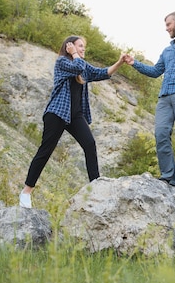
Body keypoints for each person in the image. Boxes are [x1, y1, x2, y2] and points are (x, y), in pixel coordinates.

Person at [19, 35, 125, 208]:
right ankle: (26, 192)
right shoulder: (63, 62)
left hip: (75, 115)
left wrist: (120, 62)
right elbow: (77, 67)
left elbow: (101, 73)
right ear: (69, 47)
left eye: (83, 47)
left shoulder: (81, 64)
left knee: (90, 144)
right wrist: (74, 53)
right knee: (45, 151)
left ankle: (95, 185)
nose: (83, 49)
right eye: (80, 46)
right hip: (57, 112)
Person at [124, 11, 175, 192]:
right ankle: (168, 176)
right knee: (161, 133)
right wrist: (134, 63)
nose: (167, 29)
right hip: (165, 96)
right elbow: (155, 71)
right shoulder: (167, 51)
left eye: (169, 24)